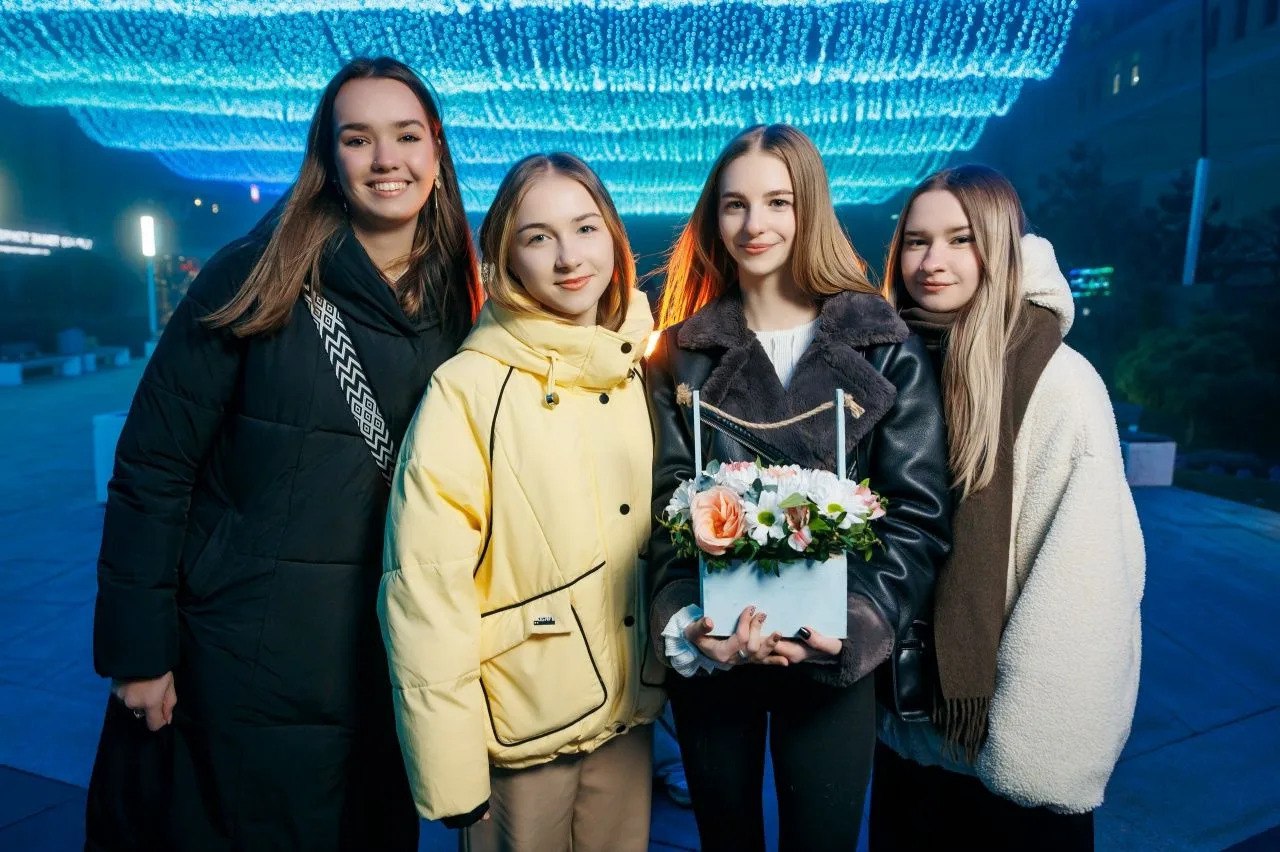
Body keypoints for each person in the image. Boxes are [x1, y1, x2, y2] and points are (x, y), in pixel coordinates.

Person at [88, 56, 481, 851]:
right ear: (329, 159)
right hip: (238, 653)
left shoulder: (460, 303)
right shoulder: (258, 273)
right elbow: (155, 465)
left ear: (437, 153)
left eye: (406, 136)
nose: (386, 159)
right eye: (358, 139)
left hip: (377, 656)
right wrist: (139, 652)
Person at [644, 124, 952, 851]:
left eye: (778, 201)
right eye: (735, 205)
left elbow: (918, 515)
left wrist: (856, 621)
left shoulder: (885, 346)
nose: (755, 224)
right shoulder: (678, 354)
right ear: (714, 218)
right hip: (717, 653)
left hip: (832, 655)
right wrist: (688, 619)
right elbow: (661, 507)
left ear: (809, 208)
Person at [379, 152, 665, 852]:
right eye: (539, 237)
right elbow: (426, 586)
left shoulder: (638, 370)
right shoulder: (467, 389)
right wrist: (451, 771)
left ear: (613, 237)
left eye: (586, 228)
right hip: (522, 732)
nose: (570, 257)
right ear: (506, 258)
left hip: (630, 717)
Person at [870, 164, 1145, 851]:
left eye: (960, 239)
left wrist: (1034, 756)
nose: (932, 262)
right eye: (916, 241)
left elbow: (1084, 583)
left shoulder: (1057, 380)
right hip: (902, 729)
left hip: (1002, 747)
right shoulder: (885, 368)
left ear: (1000, 246)